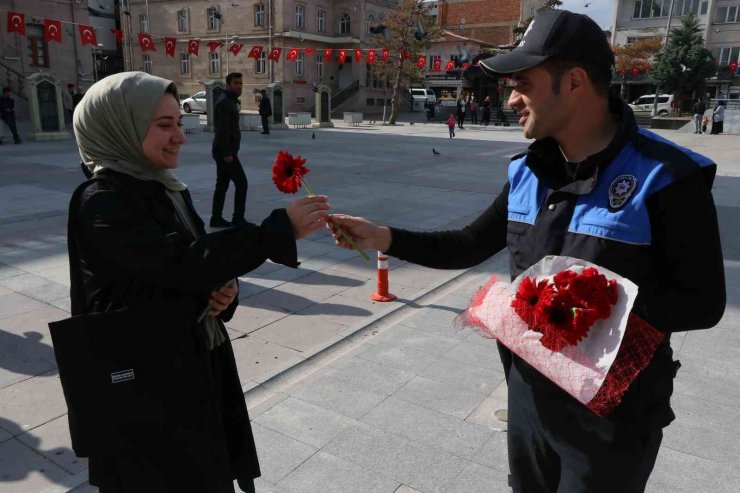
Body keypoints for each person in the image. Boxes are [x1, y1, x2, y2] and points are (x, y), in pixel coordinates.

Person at [327, 10, 725, 493]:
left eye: (523, 84)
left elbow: (703, 303)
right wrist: (382, 236)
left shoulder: (666, 177)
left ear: (574, 82)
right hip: (530, 398)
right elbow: (470, 244)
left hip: (614, 418)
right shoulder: (527, 171)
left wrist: (590, 304)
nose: (510, 98)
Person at [71, 71, 330, 492]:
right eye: (164, 126)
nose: (180, 137)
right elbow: (178, 265)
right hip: (144, 394)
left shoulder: (166, 189)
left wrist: (224, 291)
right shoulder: (102, 200)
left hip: (188, 372)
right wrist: (273, 234)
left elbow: (198, 266)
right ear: (121, 126)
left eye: (179, 123)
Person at [211, 72, 248, 228]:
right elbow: (222, 130)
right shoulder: (226, 102)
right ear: (228, 85)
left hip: (224, 151)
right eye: (236, 83)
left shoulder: (229, 100)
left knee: (222, 185)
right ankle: (238, 218)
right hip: (225, 152)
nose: (239, 86)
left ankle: (216, 218)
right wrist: (227, 153)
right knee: (242, 183)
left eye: (241, 83)